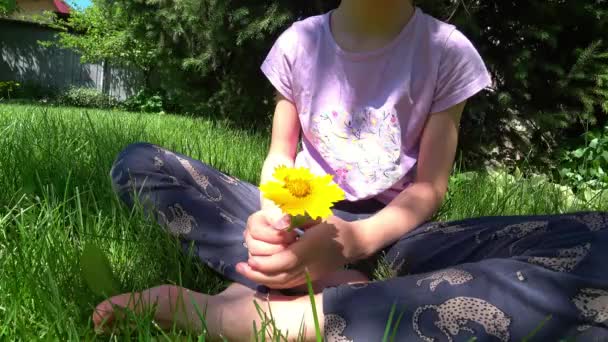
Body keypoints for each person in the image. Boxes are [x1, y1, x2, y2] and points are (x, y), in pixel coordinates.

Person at [93, 0, 608, 340]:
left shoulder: (447, 52)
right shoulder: (299, 43)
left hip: (399, 234)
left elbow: (427, 189)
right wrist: (274, 222)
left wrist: (356, 243)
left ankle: (259, 310)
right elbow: (280, 153)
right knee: (140, 164)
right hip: (302, 210)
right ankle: (301, 278)